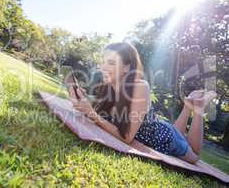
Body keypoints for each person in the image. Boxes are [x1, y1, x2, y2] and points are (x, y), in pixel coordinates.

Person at [67, 42, 217, 164]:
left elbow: (127, 137)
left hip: (164, 138)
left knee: (194, 156)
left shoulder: (140, 86)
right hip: (159, 127)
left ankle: (197, 109)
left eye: (111, 63)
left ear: (126, 67)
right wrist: (85, 102)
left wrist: (90, 113)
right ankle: (187, 106)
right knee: (178, 132)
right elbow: (108, 113)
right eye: (103, 62)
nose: (103, 67)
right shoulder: (109, 85)